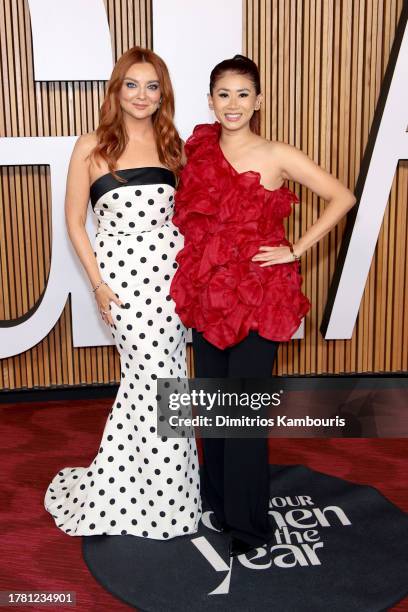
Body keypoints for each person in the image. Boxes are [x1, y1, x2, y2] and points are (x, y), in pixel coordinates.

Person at [170, 55, 356, 556]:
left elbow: (342, 196)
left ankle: (249, 528)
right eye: (223, 95)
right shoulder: (197, 152)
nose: (233, 104)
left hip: (258, 297)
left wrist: (295, 249)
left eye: (243, 94)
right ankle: (220, 504)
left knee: (243, 416)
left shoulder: (276, 154)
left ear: (259, 101)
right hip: (207, 294)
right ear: (210, 101)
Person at [44, 46, 201, 539]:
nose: (141, 95)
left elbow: (190, 216)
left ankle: (167, 495)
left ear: (162, 95)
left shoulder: (172, 145)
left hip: (170, 278)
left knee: (166, 379)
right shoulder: (90, 146)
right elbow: (74, 223)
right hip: (122, 283)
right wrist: (97, 285)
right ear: (116, 90)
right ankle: (141, 494)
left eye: (151, 86)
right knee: (150, 378)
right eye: (131, 84)